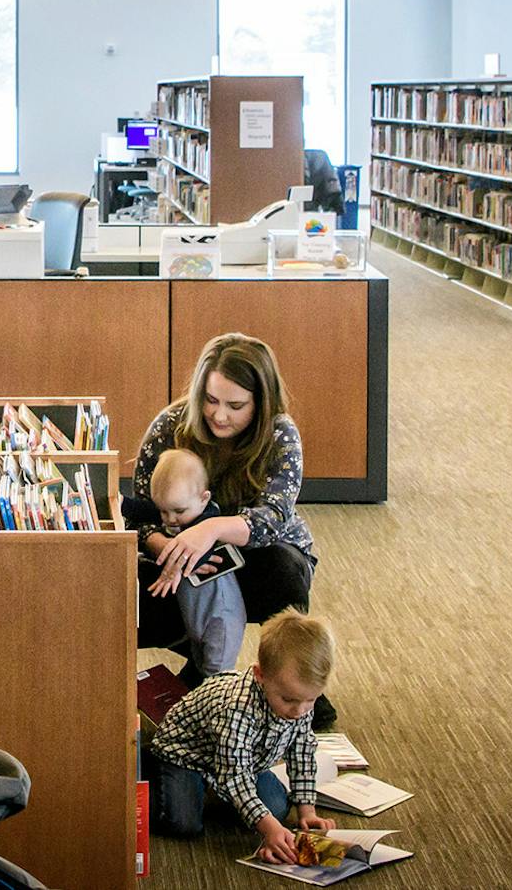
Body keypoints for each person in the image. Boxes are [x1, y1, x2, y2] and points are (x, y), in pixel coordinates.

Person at [129, 334, 327, 722]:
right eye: (211, 400)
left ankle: (294, 683)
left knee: (285, 575)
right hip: (177, 561)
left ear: (261, 402)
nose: (220, 416)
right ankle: (204, 671)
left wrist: (210, 531)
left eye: (236, 406)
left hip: (259, 556)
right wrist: (168, 549)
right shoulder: (170, 425)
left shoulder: (279, 433)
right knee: (133, 591)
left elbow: (273, 518)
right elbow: (138, 516)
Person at [142, 609, 337, 861]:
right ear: (260, 675)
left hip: (239, 761)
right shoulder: (236, 708)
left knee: (276, 809)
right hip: (183, 757)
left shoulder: (299, 704)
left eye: (310, 699)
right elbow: (234, 775)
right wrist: (267, 829)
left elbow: (302, 753)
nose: (299, 710)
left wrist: (307, 811)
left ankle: (213, 791)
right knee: (184, 823)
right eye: (288, 699)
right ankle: (146, 774)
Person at [147, 450, 220, 535]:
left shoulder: (207, 522)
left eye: (180, 511)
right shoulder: (181, 506)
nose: (171, 519)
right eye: (163, 511)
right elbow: (142, 509)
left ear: (204, 499)